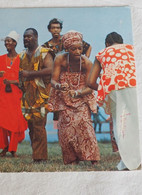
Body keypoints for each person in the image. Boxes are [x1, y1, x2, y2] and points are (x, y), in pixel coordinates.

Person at [87, 32, 141, 170]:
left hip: (114, 88)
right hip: (136, 84)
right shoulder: (133, 48)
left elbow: (90, 82)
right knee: (138, 121)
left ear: (107, 44)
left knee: (121, 123)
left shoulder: (102, 53)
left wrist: (103, 89)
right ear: (122, 42)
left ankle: (127, 162)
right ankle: (139, 158)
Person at [48, 30, 100, 165]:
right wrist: (59, 86)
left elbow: (91, 86)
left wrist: (78, 93)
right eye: (74, 49)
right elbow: (53, 80)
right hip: (64, 97)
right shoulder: (60, 59)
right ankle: (71, 159)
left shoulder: (87, 63)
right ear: (67, 49)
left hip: (82, 97)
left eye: (80, 48)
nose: (78, 51)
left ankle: (93, 158)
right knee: (66, 129)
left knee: (85, 126)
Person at [42, 18, 92, 129]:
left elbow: (88, 47)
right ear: (49, 29)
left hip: (75, 76)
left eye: (58, 28)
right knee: (55, 106)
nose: (56, 30)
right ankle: (58, 130)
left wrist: (82, 60)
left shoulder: (70, 39)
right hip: (57, 76)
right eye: (53, 28)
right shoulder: (46, 46)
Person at [19, 28, 53, 162]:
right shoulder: (22, 55)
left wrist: (30, 74)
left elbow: (50, 69)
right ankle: (37, 155)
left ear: (36, 37)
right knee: (32, 127)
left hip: (41, 95)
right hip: (27, 95)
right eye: (24, 37)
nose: (26, 39)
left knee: (39, 125)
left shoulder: (44, 53)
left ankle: (41, 157)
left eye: (29, 37)